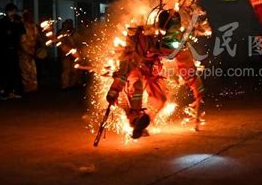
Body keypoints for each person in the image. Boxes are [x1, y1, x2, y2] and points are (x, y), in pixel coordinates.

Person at [106, 9, 205, 139]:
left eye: (176, 30)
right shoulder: (143, 38)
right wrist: (115, 89)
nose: (173, 35)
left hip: (152, 71)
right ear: (162, 29)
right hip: (133, 70)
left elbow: (187, 68)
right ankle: (135, 120)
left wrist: (198, 89)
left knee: (160, 99)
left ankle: (143, 121)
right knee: (136, 85)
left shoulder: (176, 42)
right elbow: (127, 64)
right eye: (171, 30)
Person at [0, 3, 25, 100]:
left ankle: (11, 90)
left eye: (15, 11)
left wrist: (19, 23)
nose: (13, 13)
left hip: (13, 50)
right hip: (3, 50)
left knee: (13, 71)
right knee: (3, 71)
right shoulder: (1, 22)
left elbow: (22, 32)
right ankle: (2, 91)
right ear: (7, 12)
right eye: (12, 11)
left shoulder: (16, 22)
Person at [19, 10, 41, 93]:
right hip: (25, 52)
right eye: (27, 16)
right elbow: (22, 41)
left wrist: (36, 50)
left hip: (32, 51)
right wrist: (27, 51)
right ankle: (27, 88)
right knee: (25, 71)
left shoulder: (33, 26)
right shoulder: (22, 26)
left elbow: (38, 39)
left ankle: (33, 88)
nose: (30, 17)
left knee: (33, 70)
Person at [58, 19, 82, 90]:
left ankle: (72, 84)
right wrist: (68, 51)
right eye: (68, 24)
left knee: (74, 70)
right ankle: (65, 85)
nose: (70, 25)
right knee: (66, 70)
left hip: (74, 54)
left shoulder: (74, 33)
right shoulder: (62, 33)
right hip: (66, 55)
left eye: (71, 24)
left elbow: (79, 41)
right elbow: (61, 45)